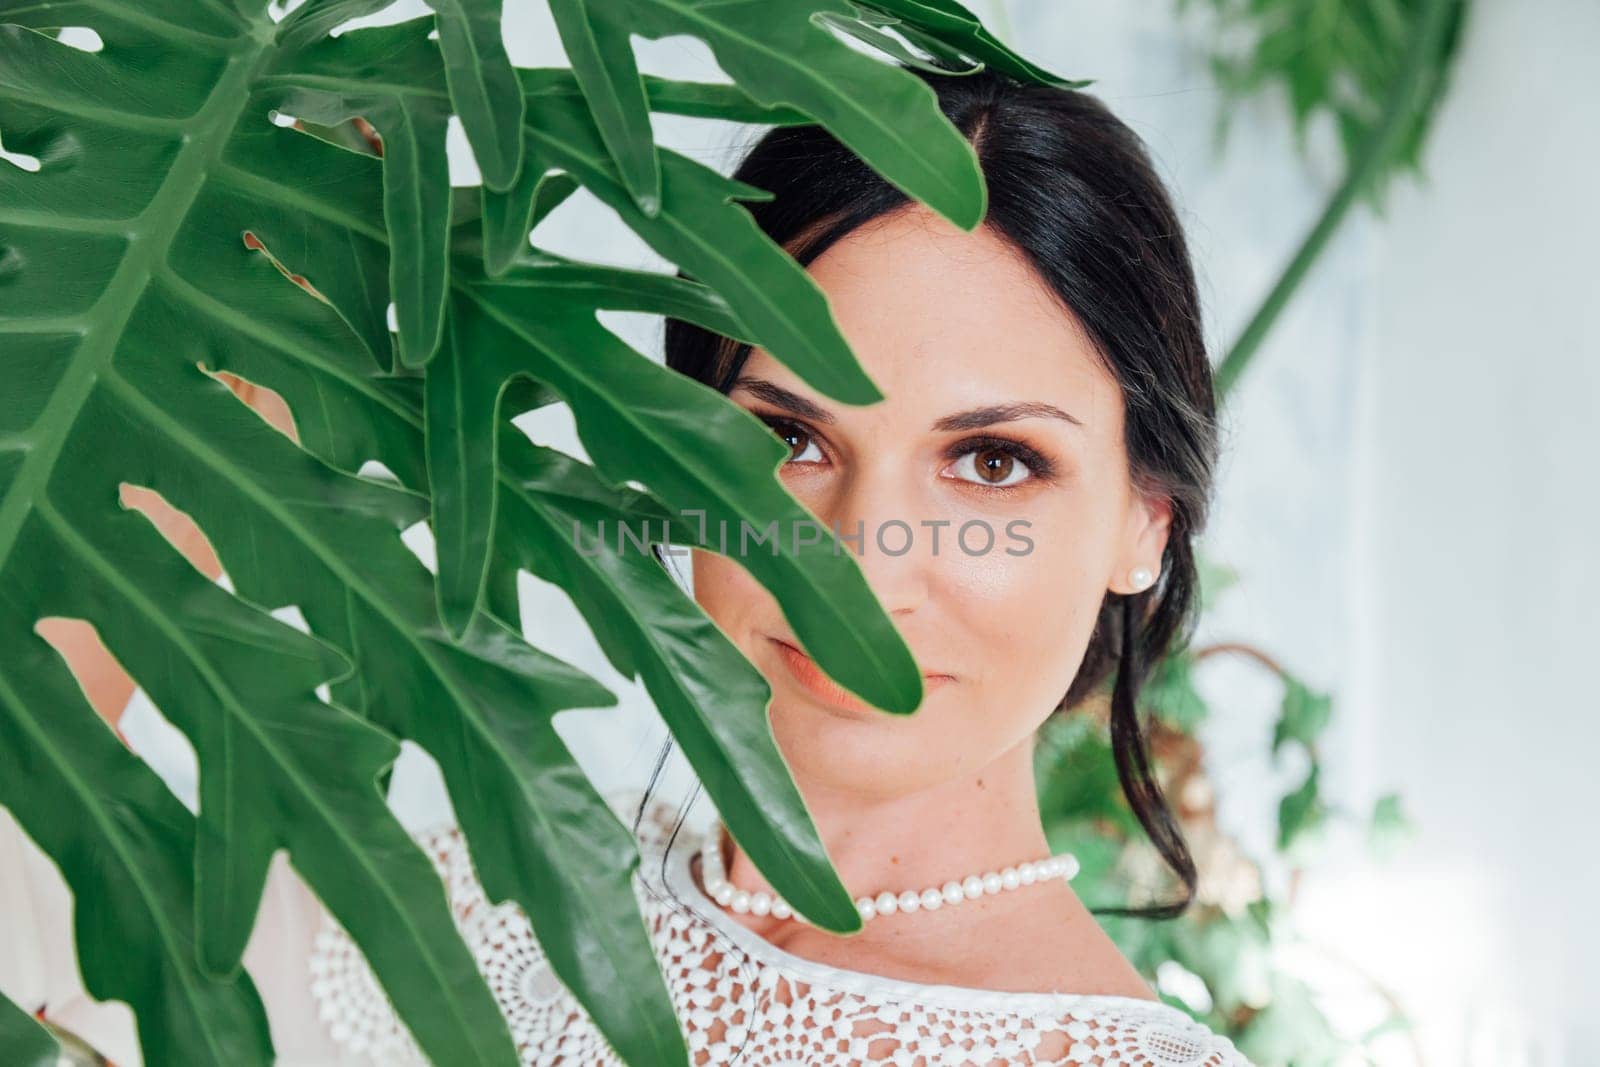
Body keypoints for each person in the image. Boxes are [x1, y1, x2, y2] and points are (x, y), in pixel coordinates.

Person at [0, 64, 1252, 1066]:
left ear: (1146, 518)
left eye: (991, 462)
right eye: (790, 436)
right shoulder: (486, 907)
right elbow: (34, 925)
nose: (859, 565)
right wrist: (211, 361)